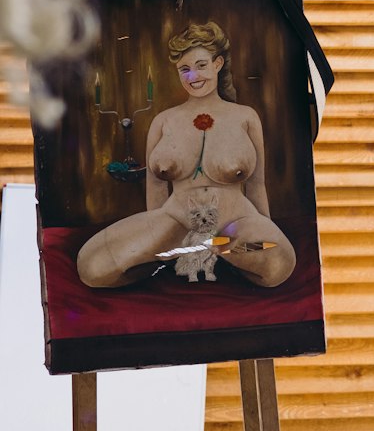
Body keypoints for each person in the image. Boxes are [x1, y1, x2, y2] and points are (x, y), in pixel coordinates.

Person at [77, 20, 296, 290]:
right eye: (185, 69)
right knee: (91, 266)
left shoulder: (246, 117)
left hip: (234, 230)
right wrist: (152, 236)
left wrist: (264, 229)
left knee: (279, 263)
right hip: (175, 226)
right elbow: (156, 187)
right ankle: (172, 258)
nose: (193, 77)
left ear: (217, 64)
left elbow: (256, 184)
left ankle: (224, 256)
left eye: (201, 65)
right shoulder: (163, 121)